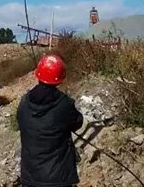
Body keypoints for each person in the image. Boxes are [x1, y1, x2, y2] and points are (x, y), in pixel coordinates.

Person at [17, 54, 83, 187]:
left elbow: (20, 122)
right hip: (58, 178)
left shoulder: (24, 102)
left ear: (38, 75)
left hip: (30, 176)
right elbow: (78, 122)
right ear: (59, 79)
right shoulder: (64, 103)